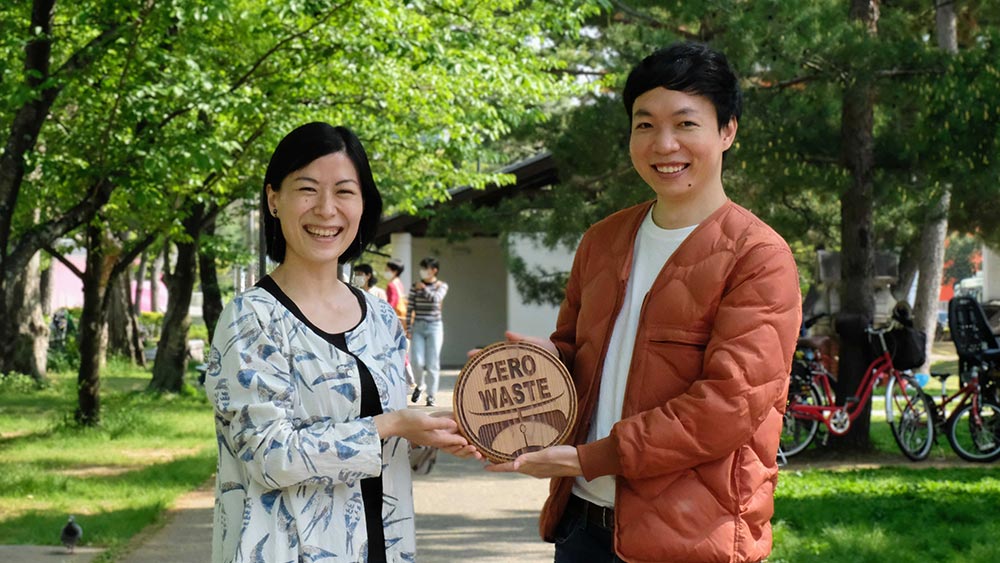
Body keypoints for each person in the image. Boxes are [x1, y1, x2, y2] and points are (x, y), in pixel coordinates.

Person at [484, 42, 801, 563]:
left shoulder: (758, 257)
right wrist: (530, 371)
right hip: (582, 528)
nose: (664, 143)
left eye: (686, 124)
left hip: (693, 538)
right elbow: (575, 355)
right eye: (645, 124)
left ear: (727, 131)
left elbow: (727, 407)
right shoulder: (603, 240)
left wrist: (591, 457)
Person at [205, 122, 479, 563]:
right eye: (307, 189)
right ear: (274, 199)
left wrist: (440, 432)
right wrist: (391, 425)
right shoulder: (251, 318)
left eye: (345, 192)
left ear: (364, 203)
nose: (327, 209)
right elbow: (270, 455)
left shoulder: (381, 319)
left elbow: (393, 448)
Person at [406, 256, 448, 407]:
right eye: (422, 268)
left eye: (426, 268)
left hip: (435, 327)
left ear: (434, 270)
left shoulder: (441, 286)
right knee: (416, 361)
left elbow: (436, 300)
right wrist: (408, 328)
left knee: (432, 363)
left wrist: (423, 289)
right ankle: (420, 384)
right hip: (418, 326)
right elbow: (410, 307)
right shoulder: (414, 286)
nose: (423, 271)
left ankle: (431, 396)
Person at [384, 258, 416, 388]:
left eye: (388, 269)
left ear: (394, 271)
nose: (385, 271)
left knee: (397, 349)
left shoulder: (392, 285)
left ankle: (410, 380)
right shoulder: (399, 283)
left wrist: (384, 312)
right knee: (401, 349)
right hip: (401, 320)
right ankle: (410, 380)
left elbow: (393, 302)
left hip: (395, 319)